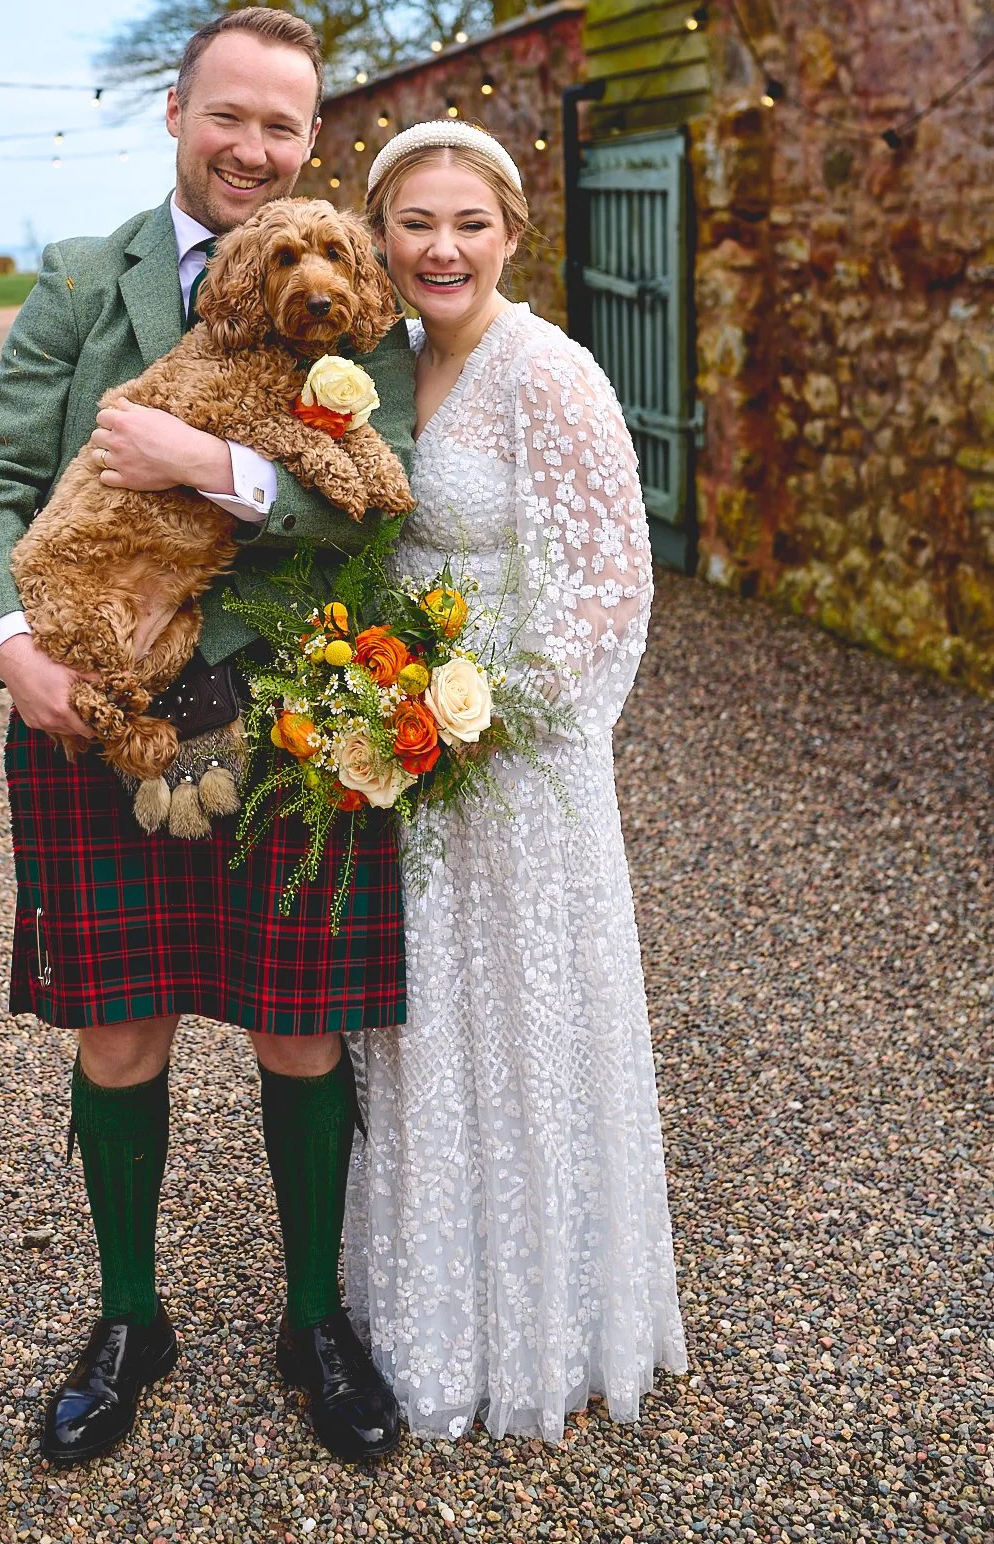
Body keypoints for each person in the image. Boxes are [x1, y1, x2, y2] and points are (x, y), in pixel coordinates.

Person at [0, 8, 414, 1466]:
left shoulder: (355, 291)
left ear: (311, 139)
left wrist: (212, 461)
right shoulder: (87, 277)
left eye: (283, 125)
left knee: (300, 1024)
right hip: (100, 707)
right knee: (120, 1022)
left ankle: (314, 1319)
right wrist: (9, 645)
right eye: (230, 115)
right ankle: (129, 1317)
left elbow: (376, 494)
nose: (253, 148)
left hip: (295, 714)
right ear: (176, 111)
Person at [343, 118, 687, 1441]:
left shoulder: (550, 372)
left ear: (510, 235)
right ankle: (430, 1306)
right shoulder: (384, 364)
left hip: (513, 760)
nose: (442, 248)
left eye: (468, 224)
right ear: (382, 235)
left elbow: (611, 584)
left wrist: (480, 713)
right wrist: (375, 704)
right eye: (416, 223)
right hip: (400, 745)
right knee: (424, 1020)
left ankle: (545, 1321)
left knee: (525, 1019)